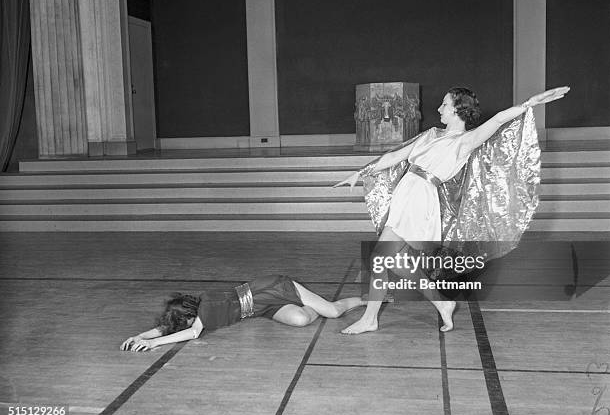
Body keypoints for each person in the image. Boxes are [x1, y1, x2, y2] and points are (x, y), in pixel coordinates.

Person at [334, 86, 570, 335]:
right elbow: (396, 156)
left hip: (420, 200)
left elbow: (499, 119)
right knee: (397, 263)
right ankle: (442, 302)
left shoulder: (465, 141)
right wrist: (359, 173)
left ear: (458, 108)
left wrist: (528, 104)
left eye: (444, 104)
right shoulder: (431, 133)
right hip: (406, 195)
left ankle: (371, 319)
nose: (439, 108)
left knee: (380, 258)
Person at [120, 274, 365, 351]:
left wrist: (154, 344)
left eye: (184, 322)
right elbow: (172, 326)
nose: (183, 326)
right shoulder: (195, 312)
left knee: (332, 312)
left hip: (275, 289)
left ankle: (368, 299)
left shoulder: (207, 307)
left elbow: (193, 334)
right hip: (262, 309)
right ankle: (315, 305)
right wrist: (140, 336)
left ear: (189, 313)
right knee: (301, 319)